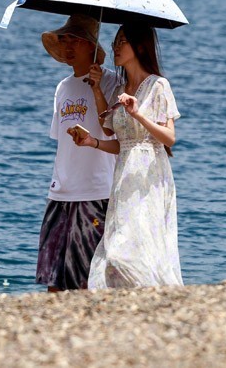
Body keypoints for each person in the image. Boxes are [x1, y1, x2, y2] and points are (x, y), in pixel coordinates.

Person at [76, 23, 182, 288]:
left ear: (140, 46)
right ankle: (130, 298)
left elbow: (169, 138)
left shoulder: (159, 86)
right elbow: (115, 137)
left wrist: (138, 114)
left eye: (122, 41)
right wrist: (92, 141)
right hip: (124, 176)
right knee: (117, 243)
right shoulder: (120, 90)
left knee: (138, 243)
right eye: (115, 42)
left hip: (149, 176)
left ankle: (151, 293)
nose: (115, 47)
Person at [36, 14, 120, 292]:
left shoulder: (111, 83)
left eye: (76, 40)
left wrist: (97, 88)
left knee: (85, 278)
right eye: (64, 39)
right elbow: (60, 140)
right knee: (53, 280)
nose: (68, 45)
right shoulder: (63, 87)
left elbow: (111, 131)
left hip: (95, 191)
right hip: (60, 192)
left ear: (92, 46)